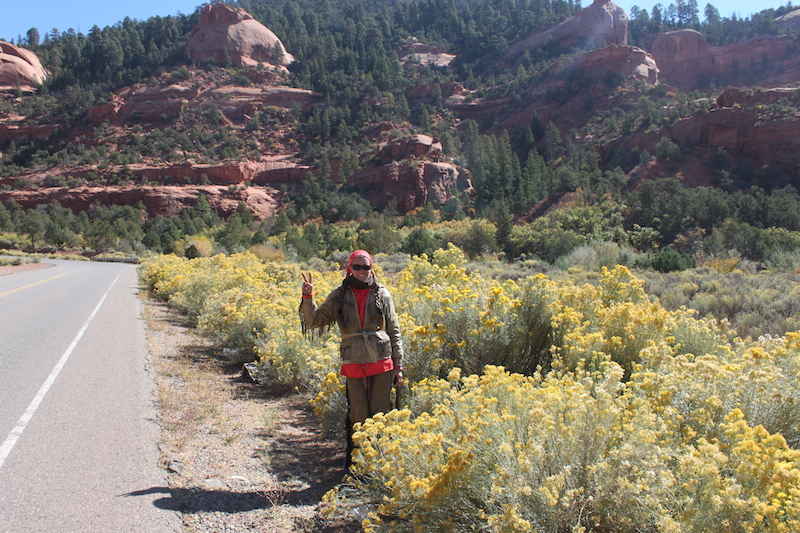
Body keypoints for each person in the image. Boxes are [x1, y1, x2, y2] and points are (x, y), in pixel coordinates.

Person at [300, 250, 404, 470]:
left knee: (380, 414)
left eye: (366, 268)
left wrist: (399, 366)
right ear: (349, 269)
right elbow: (315, 320)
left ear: (371, 269)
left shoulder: (382, 294)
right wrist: (308, 298)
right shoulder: (339, 295)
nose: (361, 272)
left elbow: (394, 330)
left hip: (382, 361)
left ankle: (379, 465)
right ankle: (356, 465)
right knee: (357, 414)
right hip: (354, 362)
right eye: (356, 267)